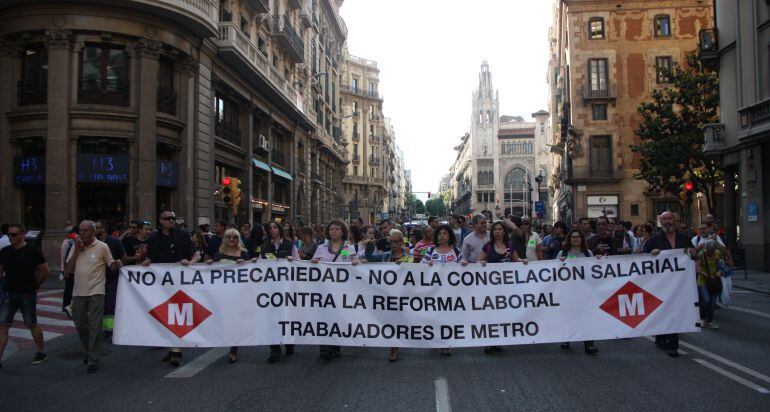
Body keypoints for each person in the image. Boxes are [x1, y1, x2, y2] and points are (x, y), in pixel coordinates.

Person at [65, 220, 122, 373]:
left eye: (85, 231)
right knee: (80, 324)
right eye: (80, 231)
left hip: (97, 290)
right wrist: (76, 250)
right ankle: (89, 351)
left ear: (92, 232)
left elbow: (110, 264)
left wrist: (116, 264)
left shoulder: (102, 247)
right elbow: (68, 270)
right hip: (78, 292)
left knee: (95, 326)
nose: (81, 233)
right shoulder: (75, 246)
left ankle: (93, 359)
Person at [143, 210, 197, 366]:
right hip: (161, 283)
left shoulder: (182, 235)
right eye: (167, 218)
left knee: (177, 314)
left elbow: (195, 254)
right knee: (165, 315)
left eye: (173, 218)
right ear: (160, 221)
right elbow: (151, 258)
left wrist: (191, 263)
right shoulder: (153, 237)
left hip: (180, 281)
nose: (171, 221)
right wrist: (147, 263)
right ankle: (171, 346)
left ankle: (176, 351)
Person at [642, 211, 695, 358]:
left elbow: (694, 255)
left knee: (674, 312)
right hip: (661, 284)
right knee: (663, 311)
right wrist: (651, 254)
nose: (667, 222)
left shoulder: (684, 238)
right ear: (660, 222)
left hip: (679, 284)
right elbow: (642, 258)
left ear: (674, 220)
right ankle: (660, 337)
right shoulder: (654, 240)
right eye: (664, 219)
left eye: (670, 218)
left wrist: (693, 252)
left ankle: (673, 345)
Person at [0, 223, 49, 368]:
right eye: (9, 234)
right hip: (9, 293)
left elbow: (44, 271)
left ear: (22, 234)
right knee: (3, 326)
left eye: (13, 235)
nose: (10, 237)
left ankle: (40, 351)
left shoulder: (32, 251)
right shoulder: (5, 251)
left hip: (27, 294)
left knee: (31, 324)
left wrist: (35, 285)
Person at [311, 220, 359, 360]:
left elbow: (356, 265)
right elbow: (313, 265)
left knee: (337, 317)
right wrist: (313, 263)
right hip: (324, 289)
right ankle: (324, 347)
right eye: (331, 229)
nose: (333, 231)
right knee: (323, 317)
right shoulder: (322, 248)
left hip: (341, 290)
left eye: (337, 229)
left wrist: (356, 263)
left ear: (342, 231)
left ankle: (336, 345)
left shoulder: (348, 248)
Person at [364, 229, 414, 362]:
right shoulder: (385, 256)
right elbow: (369, 257)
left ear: (402, 242)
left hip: (404, 294)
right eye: (391, 242)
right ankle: (394, 347)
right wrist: (370, 244)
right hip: (388, 294)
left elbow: (418, 270)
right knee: (392, 321)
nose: (393, 244)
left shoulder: (410, 256)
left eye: (396, 241)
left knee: (403, 321)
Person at [206, 228, 252, 363]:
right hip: (223, 293)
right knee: (223, 318)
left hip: (238, 293)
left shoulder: (243, 253)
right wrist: (210, 264)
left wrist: (245, 264)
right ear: (224, 239)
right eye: (228, 237)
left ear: (238, 239)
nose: (231, 240)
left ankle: (234, 348)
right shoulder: (219, 255)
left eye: (234, 237)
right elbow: (212, 273)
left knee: (235, 320)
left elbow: (251, 271)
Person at [477, 221, 523, 354]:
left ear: (504, 232)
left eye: (500, 229)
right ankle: (489, 342)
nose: (497, 231)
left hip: (506, 289)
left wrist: (523, 261)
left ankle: (499, 341)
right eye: (495, 229)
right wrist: (482, 263)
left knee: (502, 315)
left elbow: (516, 261)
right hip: (490, 289)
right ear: (492, 233)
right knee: (489, 316)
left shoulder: (510, 246)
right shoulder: (488, 247)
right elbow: (478, 262)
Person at [259, 221, 299, 363]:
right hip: (271, 288)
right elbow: (260, 266)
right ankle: (274, 349)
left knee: (287, 316)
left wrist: (292, 260)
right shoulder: (264, 247)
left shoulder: (289, 245)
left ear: (280, 230)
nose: (272, 230)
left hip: (287, 287)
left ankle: (289, 341)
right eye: (269, 228)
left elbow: (298, 263)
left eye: (275, 227)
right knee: (272, 318)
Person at [555, 229, 598, 355]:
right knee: (568, 316)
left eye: (578, 236)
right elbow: (554, 271)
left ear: (582, 239)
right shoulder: (562, 253)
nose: (575, 239)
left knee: (587, 318)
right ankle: (567, 338)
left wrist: (599, 260)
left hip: (585, 292)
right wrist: (560, 263)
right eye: (573, 237)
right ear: (569, 239)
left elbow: (594, 270)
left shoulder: (588, 253)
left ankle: (589, 344)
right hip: (567, 292)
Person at [94, 221, 126, 340]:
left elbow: (123, 257)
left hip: (112, 278)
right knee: (99, 304)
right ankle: (101, 328)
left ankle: (109, 329)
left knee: (110, 304)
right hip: (97, 278)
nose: (96, 229)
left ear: (104, 228)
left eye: (98, 227)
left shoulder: (114, 241)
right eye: (95, 227)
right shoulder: (93, 243)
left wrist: (117, 264)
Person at [696, 240, 723, 329]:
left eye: (712, 251)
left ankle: (709, 321)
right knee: (706, 300)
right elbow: (696, 269)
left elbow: (721, 266)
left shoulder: (718, 254)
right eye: (709, 251)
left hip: (714, 281)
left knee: (712, 303)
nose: (710, 253)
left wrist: (719, 272)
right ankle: (702, 318)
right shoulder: (701, 254)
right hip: (703, 281)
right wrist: (706, 275)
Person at [60, 226, 79, 317]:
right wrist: (65, 270)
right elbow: (65, 257)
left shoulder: (67, 241)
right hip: (70, 270)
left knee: (69, 288)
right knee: (70, 289)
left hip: (68, 269)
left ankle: (66, 306)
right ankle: (67, 306)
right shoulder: (70, 242)